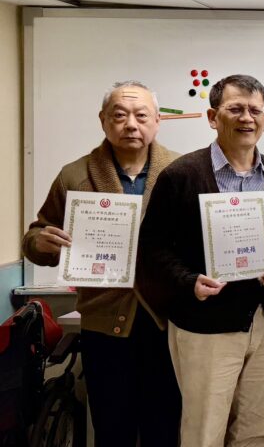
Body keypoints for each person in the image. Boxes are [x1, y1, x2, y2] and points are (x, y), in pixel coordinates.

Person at [137, 74, 264, 447]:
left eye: (255, 110)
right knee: (204, 433)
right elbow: (151, 249)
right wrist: (188, 281)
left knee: (258, 431)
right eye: (235, 109)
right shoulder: (181, 175)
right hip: (205, 325)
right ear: (213, 117)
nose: (246, 118)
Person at [21, 81, 180, 447]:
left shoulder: (181, 170)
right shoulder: (74, 175)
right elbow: (37, 234)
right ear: (103, 120)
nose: (131, 124)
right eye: (119, 115)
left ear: (157, 121)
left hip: (167, 323)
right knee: (112, 429)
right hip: (104, 324)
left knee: (164, 428)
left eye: (141, 115)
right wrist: (41, 243)